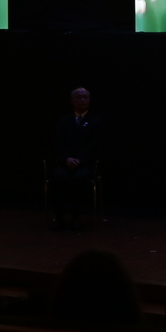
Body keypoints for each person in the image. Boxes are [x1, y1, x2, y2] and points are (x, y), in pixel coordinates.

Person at [51, 87, 103, 229]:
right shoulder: (63, 121)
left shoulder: (95, 121)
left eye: (85, 97)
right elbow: (58, 143)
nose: (82, 100)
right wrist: (66, 158)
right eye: (79, 97)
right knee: (59, 177)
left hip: (85, 163)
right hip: (66, 162)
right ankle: (59, 217)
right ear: (72, 101)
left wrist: (80, 159)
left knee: (80, 179)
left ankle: (76, 217)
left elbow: (94, 145)